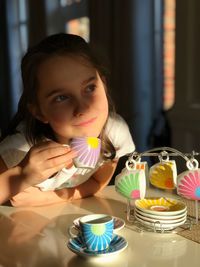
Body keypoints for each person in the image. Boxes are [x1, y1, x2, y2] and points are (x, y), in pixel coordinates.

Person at [0, 33, 135, 206]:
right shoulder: (19, 149)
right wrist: (21, 176)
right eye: (61, 98)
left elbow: (97, 183)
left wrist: (45, 198)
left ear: (104, 84)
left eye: (90, 88)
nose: (82, 108)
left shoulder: (114, 133)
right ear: (39, 112)